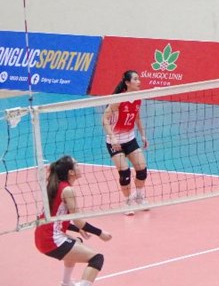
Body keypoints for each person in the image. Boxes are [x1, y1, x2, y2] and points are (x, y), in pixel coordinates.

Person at [34, 156, 113, 286]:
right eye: (76, 164)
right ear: (70, 172)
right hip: (51, 240)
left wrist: (78, 230)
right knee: (97, 259)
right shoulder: (68, 190)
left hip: (42, 237)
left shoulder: (55, 186)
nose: (79, 166)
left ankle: (66, 283)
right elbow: (78, 221)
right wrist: (100, 233)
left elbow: (57, 218)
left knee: (77, 242)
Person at [101, 70, 148, 216]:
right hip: (115, 143)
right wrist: (113, 137)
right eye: (135, 79)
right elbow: (104, 119)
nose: (139, 81)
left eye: (139, 78)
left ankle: (139, 196)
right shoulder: (118, 100)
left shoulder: (138, 98)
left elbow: (137, 118)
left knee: (142, 170)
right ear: (127, 83)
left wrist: (143, 136)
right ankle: (127, 202)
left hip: (130, 139)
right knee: (125, 172)